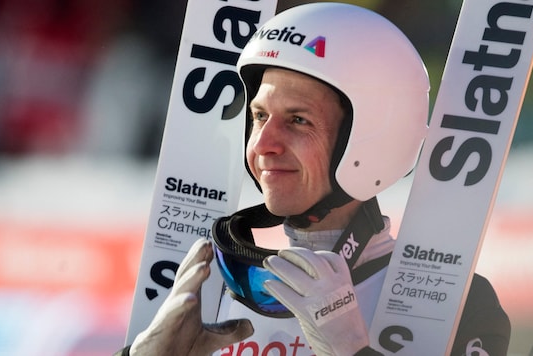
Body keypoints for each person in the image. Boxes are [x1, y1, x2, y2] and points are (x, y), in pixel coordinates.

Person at [117, 3, 510, 355]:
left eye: (298, 120)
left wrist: (351, 351)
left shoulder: (455, 303)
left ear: (372, 139)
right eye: (258, 116)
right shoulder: (206, 291)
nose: (263, 144)